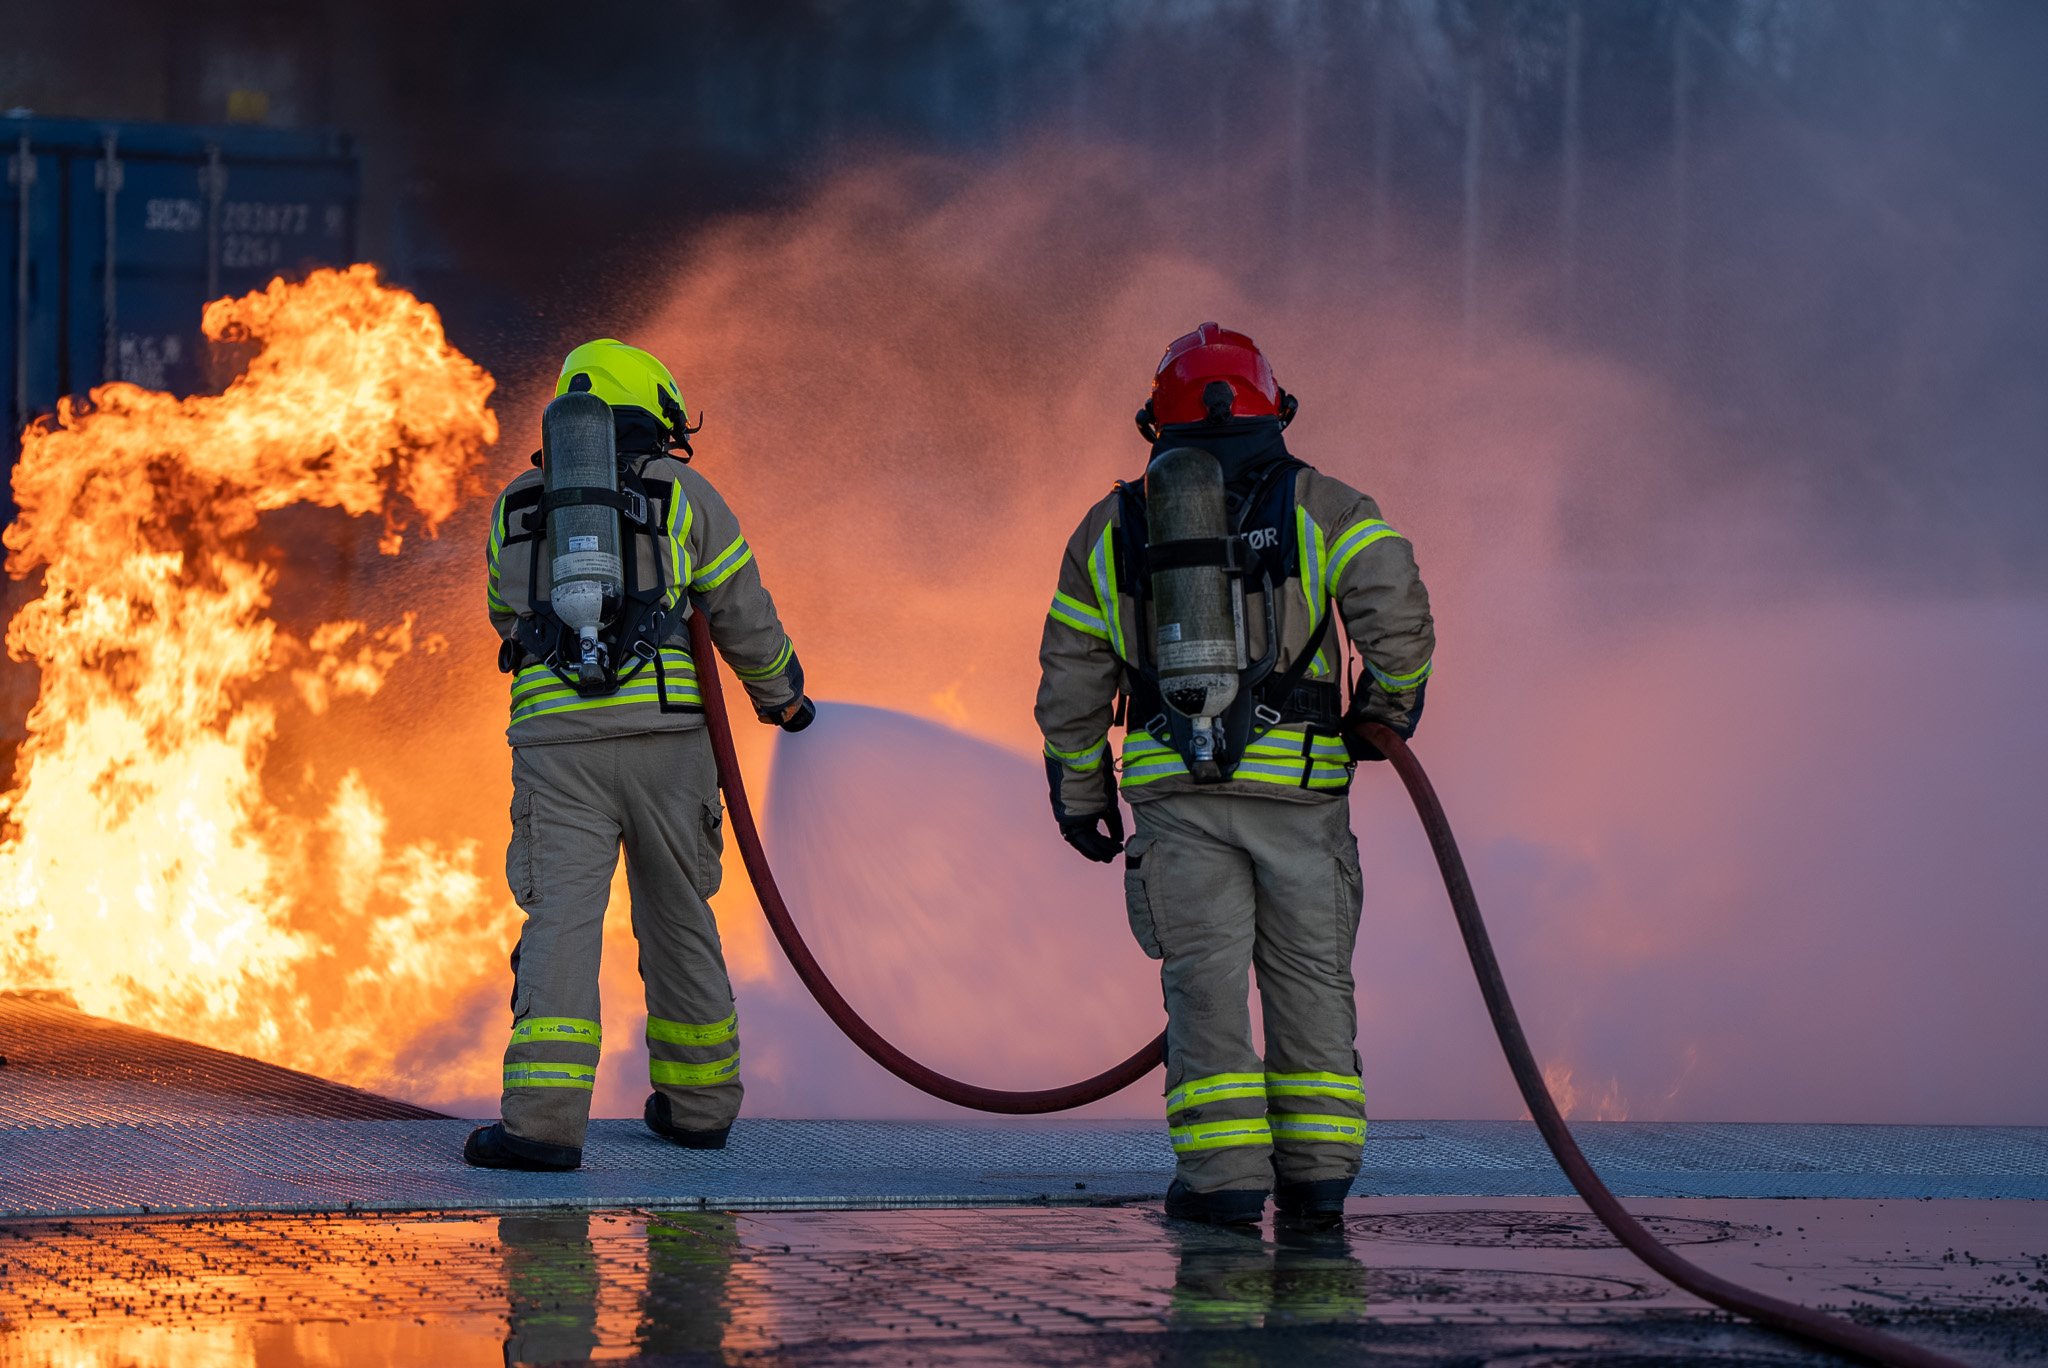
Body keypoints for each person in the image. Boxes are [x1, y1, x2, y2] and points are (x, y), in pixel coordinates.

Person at [1035, 323, 1434, 1226]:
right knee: (1311, 977)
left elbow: (1071, 683)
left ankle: (1220, 1185)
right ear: (1274, 409)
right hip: (1299, 797)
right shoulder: (1323, 505)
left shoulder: (1112, 527)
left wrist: (1080, 794)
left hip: (1178, 804)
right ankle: (1319, 1177)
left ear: (1156, 423)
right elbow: (1398, 612)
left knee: (1205, 987)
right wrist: (1386, 712)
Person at [467, 339, 813, 1172]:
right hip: (667, 743)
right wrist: (784, 696)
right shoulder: (684, 494)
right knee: (678, 916)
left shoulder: (517, 504)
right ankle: (697, 1110)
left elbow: (503, 617)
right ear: (652, 412)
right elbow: (740, 611)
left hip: (556, 751)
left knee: (561, 923)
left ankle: (543, 1126)